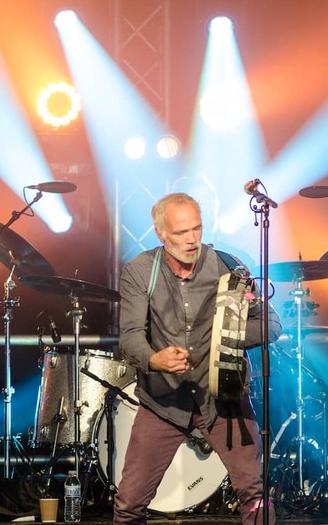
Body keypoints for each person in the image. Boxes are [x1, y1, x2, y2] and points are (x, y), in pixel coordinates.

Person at [115, 192, 281, 525]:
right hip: (163, 401)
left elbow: (271, 324)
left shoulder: (230, 268)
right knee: (129, 503)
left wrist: (227, 336)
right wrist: (155, 358)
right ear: (161, 233)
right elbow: (130, 337)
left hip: (223, 397)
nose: (192, 239)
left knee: (255, 495)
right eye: (181, 232)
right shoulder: (139, 271)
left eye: (197, 229)